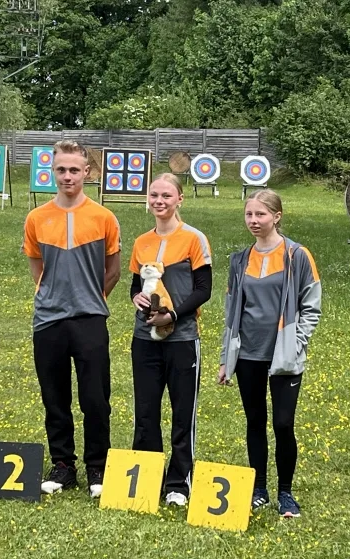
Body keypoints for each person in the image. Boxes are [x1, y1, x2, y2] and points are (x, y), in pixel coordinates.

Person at [22, 140, 122, 498]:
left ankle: (98, 467)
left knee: (95, 398)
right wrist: (55, 297)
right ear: (52, 171)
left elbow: (113, 270)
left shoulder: (104, 217)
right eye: (61, 169)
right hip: (48, 321)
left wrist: (89, 298)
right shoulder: (36, 218)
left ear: (87, 172)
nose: (68, 176)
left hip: (90, 319)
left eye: (74, 170)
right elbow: (37, 268)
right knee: (55, 398)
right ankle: (63, 465)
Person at [217, 189, 321, 518]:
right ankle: (259, 489)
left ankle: (285, 493)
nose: (253, 220)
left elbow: (311, 306)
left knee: (283, 423)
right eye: (249, 214)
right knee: (255, 422)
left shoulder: (297, 255)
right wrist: (226, 358)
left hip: (284, 358)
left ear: (276, 217)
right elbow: (231, 311)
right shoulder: (239, 260)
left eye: (260, 214)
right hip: (248, 355)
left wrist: (296, 342)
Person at [130, 173, 212, 506]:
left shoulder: (194, 238)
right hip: (144, 338)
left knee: (182, 413)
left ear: (180, 199)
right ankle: (147, 478)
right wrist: (136, 297)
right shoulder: (141, 242)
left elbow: (203, 290)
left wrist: (173, 315)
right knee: (145, 411)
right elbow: (135, 286)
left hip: (182, 339)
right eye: (154, 195)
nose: (159, 201)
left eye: (166, 195)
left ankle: (178, 482)